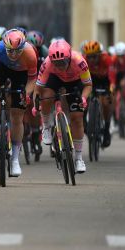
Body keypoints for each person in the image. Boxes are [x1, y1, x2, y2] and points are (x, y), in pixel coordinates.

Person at [0, 28, 37, 177]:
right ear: (5, 46)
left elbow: (32, 79)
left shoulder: (30, 54)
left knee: (17, 116)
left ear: (23, 47)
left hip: (21, 75)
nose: (14, 55)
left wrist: (26, 94)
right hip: (1, 69)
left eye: (17, 51)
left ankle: (15, 159)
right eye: (10, 51)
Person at [36, 39, 91, 174]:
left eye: (63, 62)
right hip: (54, 80)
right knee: (46, 95)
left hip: (75, 82)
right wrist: (36, 105)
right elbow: (38, 89)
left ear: (70, 56)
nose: (60, 66)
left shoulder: (79, 61)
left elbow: (88, 85)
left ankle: (78, 159)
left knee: (77, 118)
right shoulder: (47, 63)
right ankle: (47, 127)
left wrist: (83, 98)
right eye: (57, 63)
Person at [81, 39, 115, 147]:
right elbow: (80, 76)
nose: (91, 59)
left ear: (99, 55)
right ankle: (84, 123)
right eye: (89, 57)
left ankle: (106, 130)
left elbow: (112, 76)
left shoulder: (106, 59)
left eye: (94, 56)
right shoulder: (84, 60)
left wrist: (111, 88)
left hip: (105, 80)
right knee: (83, 100)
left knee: (106, 102)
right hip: (92, 80)